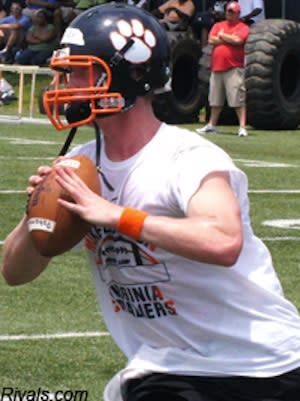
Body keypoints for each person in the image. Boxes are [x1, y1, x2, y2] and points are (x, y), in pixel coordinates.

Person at [2, 3, 300, 401]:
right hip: (167, 367)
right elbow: (14, 272)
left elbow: (223, 241)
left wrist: (116, 216)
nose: (65, 84)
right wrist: (36, 212)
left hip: (253, 366)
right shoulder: (83, 164)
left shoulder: (187, 156)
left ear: (134, 72)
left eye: (79, 71)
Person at [196, 1, 249, 137]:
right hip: (217, 67)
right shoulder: (218, 25)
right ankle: (212, 125)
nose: (229, 15)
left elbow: (238, 40)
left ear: (238, 14)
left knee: (237, 98)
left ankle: (242, 127)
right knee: (215, 99)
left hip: (233, 67)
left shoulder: (242, 27)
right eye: (228, 12)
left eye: (232, 12)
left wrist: (222, 36)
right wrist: (228, 38)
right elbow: (211, 40)